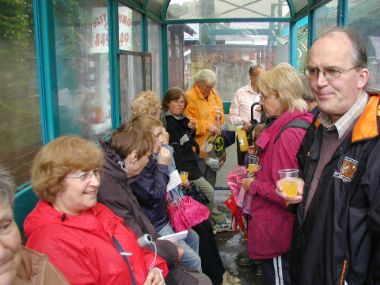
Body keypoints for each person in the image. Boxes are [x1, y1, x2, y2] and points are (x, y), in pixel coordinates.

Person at [276, 28, 380, 285]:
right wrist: (301, 189)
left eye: (333, 71)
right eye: (313, 71)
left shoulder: (374, 138)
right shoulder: (317, 126)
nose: (319, 82)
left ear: (361, 77)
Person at [24, 136, 168, 285]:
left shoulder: (98, 210)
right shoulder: (51, 243)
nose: (96, 182)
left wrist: (155, 270)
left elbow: (137, 249)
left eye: (95, 172)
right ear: (56, 182)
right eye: (84, 176)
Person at [98, 118, 212, 285]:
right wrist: (170, 252)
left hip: (151, 241)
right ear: (134, 156)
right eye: (147, 156)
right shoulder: (113, 187)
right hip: (145, 250)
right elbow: (147, 207)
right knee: (201, 277)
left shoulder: (119, 174)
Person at [241, 64, 313, 285]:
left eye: (264, 96)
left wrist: (252, 185)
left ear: (281, 96)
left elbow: (286, 194)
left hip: (277, 230)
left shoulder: (288, 134)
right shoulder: (297, 123)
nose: (261, 102)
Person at [162, 87, 229, 230]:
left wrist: (191, 129)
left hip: (190, 163)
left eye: (182, 102)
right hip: (184, 168)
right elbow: (178, 147)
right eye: (176, 101)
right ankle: (208, 221)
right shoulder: (169, 122)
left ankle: (203, 221)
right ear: (167, 103)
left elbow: (187, 139)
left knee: (197, 195)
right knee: (208, 191)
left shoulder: (182, 119)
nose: (180, 105)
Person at [0, 166, 69, 285]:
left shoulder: (36, 267)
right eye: (83, 176)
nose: (1, 254)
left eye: (5, 226)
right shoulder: (49, 237)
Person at [184, 69, 224, 188]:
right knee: (200, 182)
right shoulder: (189, 96)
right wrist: (206, 125)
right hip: (198, 148)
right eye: (207, 87)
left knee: (211, 179)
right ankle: (200, 206)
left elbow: (221, 113)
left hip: (213, 146)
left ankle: (209, 205)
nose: (210, 90)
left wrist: (219, 116)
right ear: (199, 83)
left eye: (212, 87)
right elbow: (188, 122)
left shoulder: (214, 94)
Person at [229, 65, 265, 165]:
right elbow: (232, 115)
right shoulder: (240, 93)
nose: (263, 79)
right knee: (243, 164)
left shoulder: (267, 93)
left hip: (262, 135)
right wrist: (241, 122)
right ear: (251, 77)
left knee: (261, 164)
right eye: (260, 77)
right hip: (244, 135)